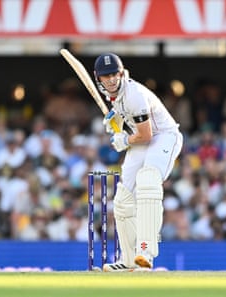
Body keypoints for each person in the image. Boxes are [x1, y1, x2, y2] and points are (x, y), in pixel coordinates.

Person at [94, 53, 183, 271]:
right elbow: (128, 116)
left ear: (122, 73)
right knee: (123, 197)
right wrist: (116, 118)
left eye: (115, 74)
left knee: (148, 180)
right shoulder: (111, 93)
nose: (112, 79)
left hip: (164, 136)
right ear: (99, 79)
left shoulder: (134, 94)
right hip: (143, 138)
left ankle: (145, 253)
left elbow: (146, 135)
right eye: (106, 76)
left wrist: (124, 139)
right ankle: (128, 259)